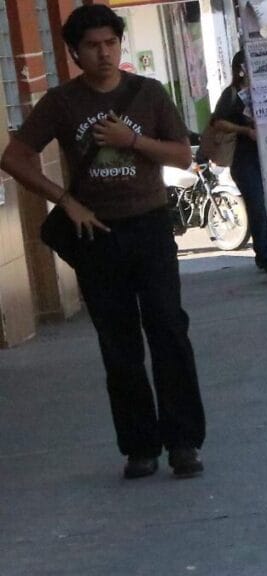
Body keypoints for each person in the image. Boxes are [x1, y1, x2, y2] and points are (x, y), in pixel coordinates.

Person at [0, 4, 206, 479]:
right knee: (118, 343)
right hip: (97, 233)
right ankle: (140, 447)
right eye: (92, 46)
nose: (104, 53)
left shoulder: (148, 94)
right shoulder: (61, 103)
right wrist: (64, 201)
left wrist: (131, 141)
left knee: (169, 330)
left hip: (150, 226)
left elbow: (180, 156)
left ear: (120, 45)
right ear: (74, 53)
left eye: (110, 43)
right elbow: (14, 157)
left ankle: (183, 443)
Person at [211, 51, 267, 272]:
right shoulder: (231, 94)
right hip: (243, 158)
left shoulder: (264, 90)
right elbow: (218, 122)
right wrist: (245, 130)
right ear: (240, 68)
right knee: (256, 205)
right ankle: (264, 255)